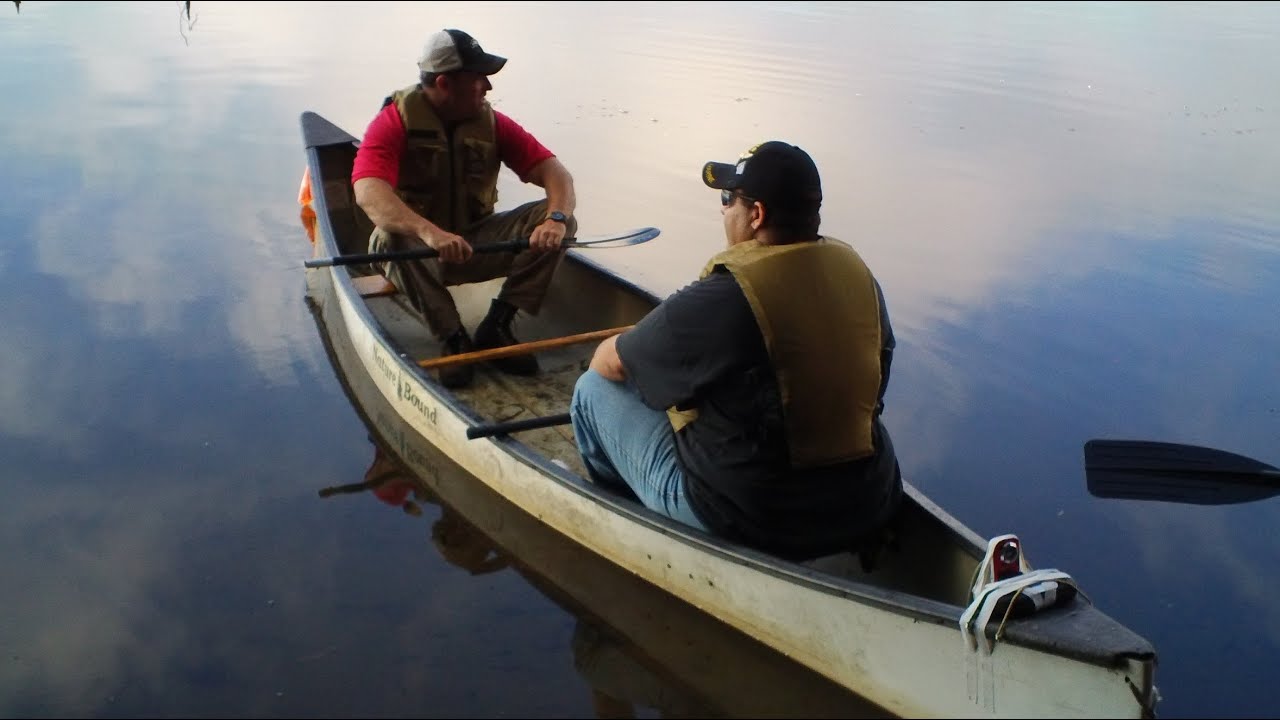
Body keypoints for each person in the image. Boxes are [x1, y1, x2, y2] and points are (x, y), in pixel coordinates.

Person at [569, 141, 902, 561]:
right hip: (869, 500)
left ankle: (627, 522)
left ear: (756, 215)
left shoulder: (725, 297)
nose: (723, 210)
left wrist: (634, 342)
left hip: (757, 521)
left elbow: (611, 364)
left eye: (729, 200)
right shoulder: (860, 279)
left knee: (591, 391)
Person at [351, 28, 578, 389]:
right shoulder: (394, 122)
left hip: (475, 245)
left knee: (562, 219)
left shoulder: (492, 123)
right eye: (477, 78)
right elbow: (368, 192)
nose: (487, 87)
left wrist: (555, 219)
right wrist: (429, 232)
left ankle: (497, 325)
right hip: (418, 256)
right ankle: (453, 338)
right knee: (390, 235)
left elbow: (556, 174)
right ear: (445, 83)